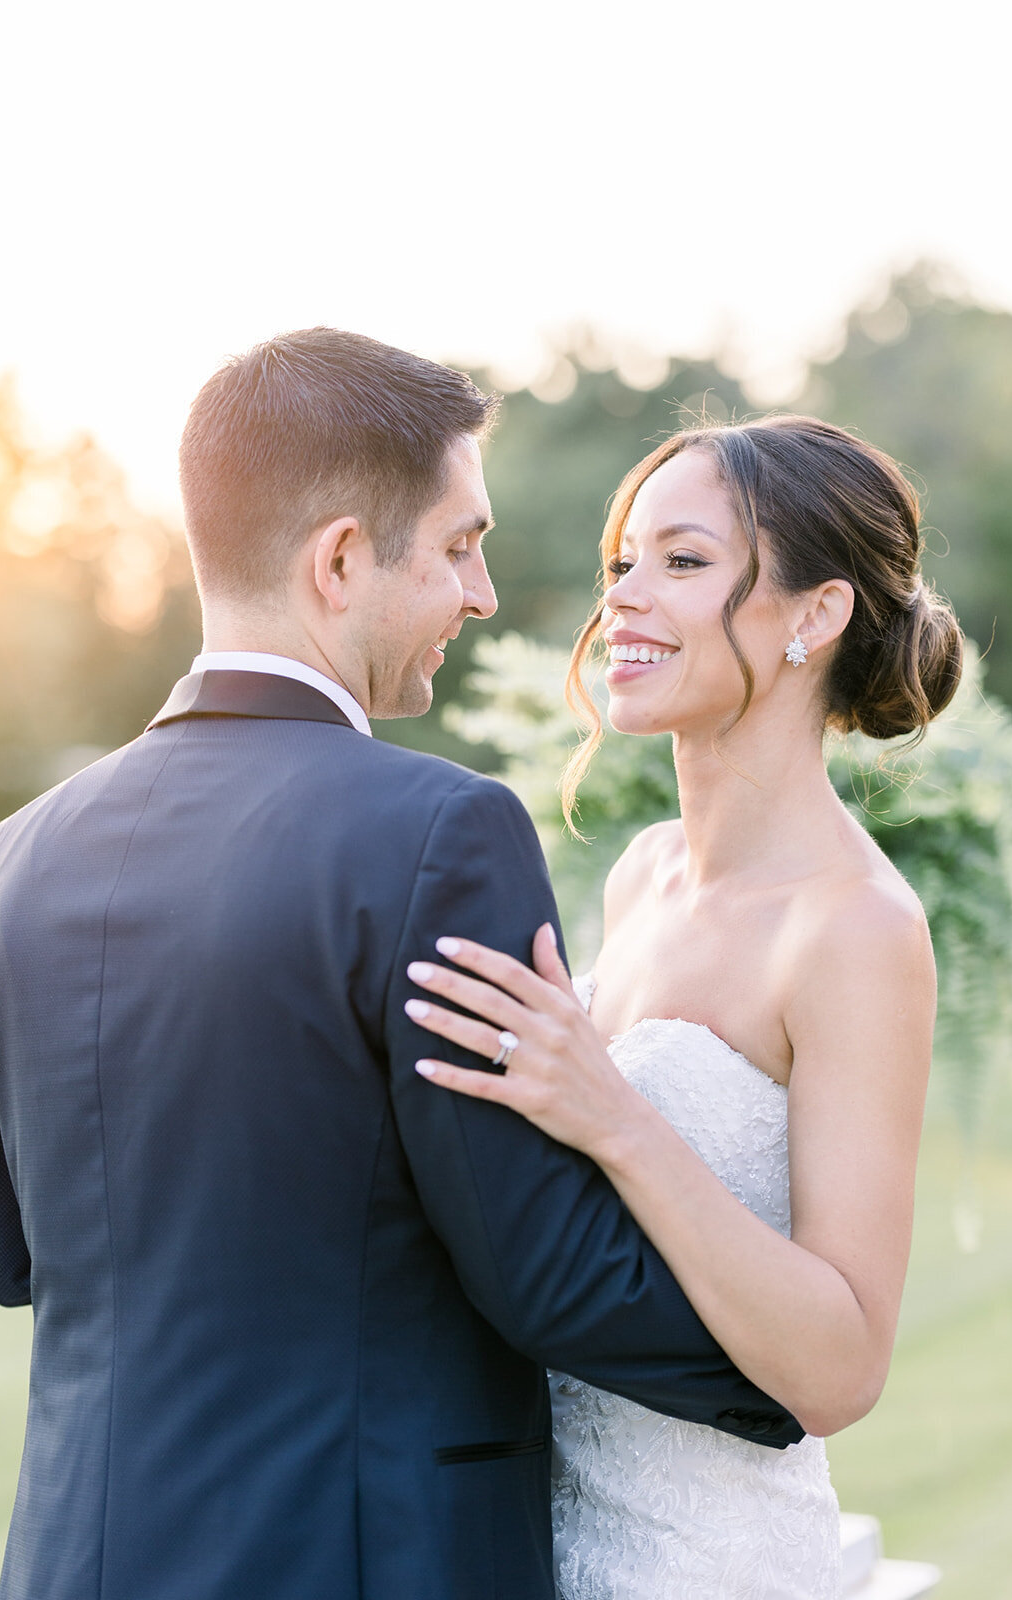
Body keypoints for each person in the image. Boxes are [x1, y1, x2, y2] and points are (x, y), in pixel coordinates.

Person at [0, 331, 800, 1600]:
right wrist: (789, 1373)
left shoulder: (12, 863)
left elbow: (7, 1252)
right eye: (460, 545)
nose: (482, 595)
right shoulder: (435, 836)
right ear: (341, 559)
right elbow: (544, 1271)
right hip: (364, 1563)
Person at [406, 414, 964, 1599]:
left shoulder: (855, 929)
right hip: (546, 1544)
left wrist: (611, 1113)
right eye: (622, 564)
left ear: (813, 616)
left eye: (683, 561)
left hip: (712, 1563)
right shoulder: (642, 871)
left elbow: (840, 1364)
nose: (624, 602)